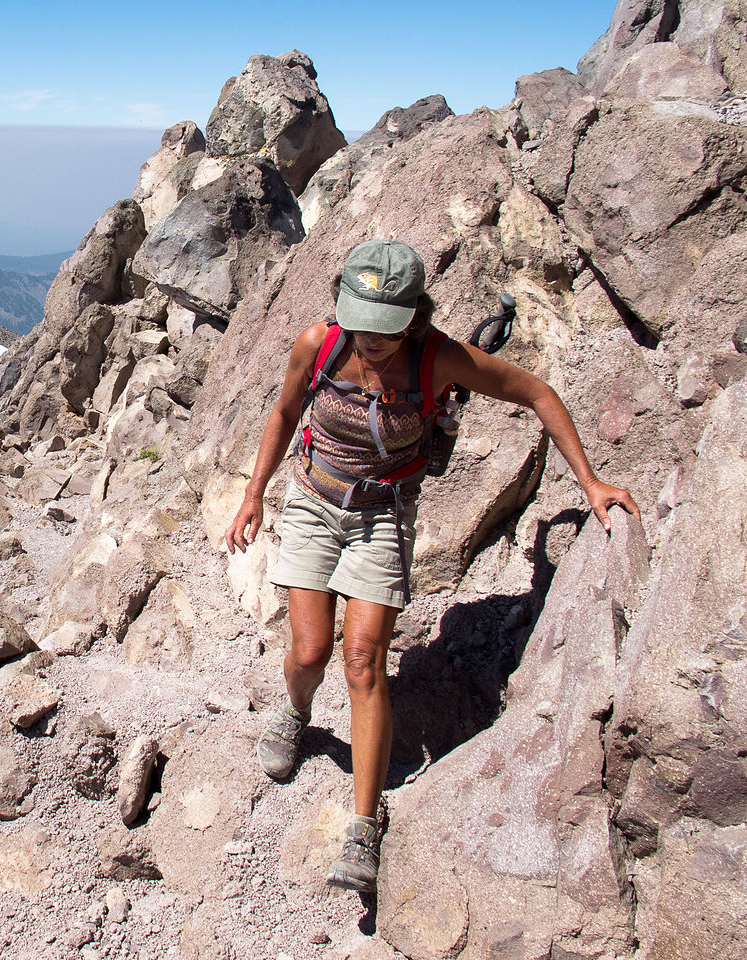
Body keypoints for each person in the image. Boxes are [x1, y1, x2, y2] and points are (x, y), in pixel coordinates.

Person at [222, 239, 638, 892]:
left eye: (384, 327)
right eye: (359, 320)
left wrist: (589, 483)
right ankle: (296, 714)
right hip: (312, 500)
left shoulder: (439, 357)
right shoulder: (321, 343)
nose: (369, 338)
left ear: (413, 316)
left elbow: (539, 395)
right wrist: (253, 495)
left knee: (361, 658)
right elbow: (282, 413)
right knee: (308, 653)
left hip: (383, 512)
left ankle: (363, 826)